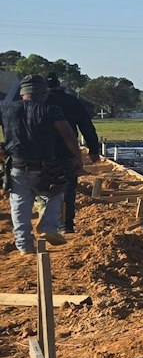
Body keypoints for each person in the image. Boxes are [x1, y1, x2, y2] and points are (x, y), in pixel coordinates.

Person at [1, 75, 88, 253]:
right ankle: (48, 226)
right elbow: (68, 135)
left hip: (16, 166)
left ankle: (24, 245)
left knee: (19, 205)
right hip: (46, 167)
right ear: (43, 93)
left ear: (22, 93)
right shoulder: (50, 110)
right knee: (56, 193)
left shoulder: (6, 110)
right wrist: (78, 158)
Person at [43, 77, 101, 234]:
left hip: (41, 152)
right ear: (58, 85)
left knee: (43, 188)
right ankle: (66, 224)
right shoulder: (72, 101)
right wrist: (94, 150)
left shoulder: (38, 102)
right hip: (67, 151)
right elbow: (86, 126)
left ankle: (47, 222)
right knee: (68, 189)